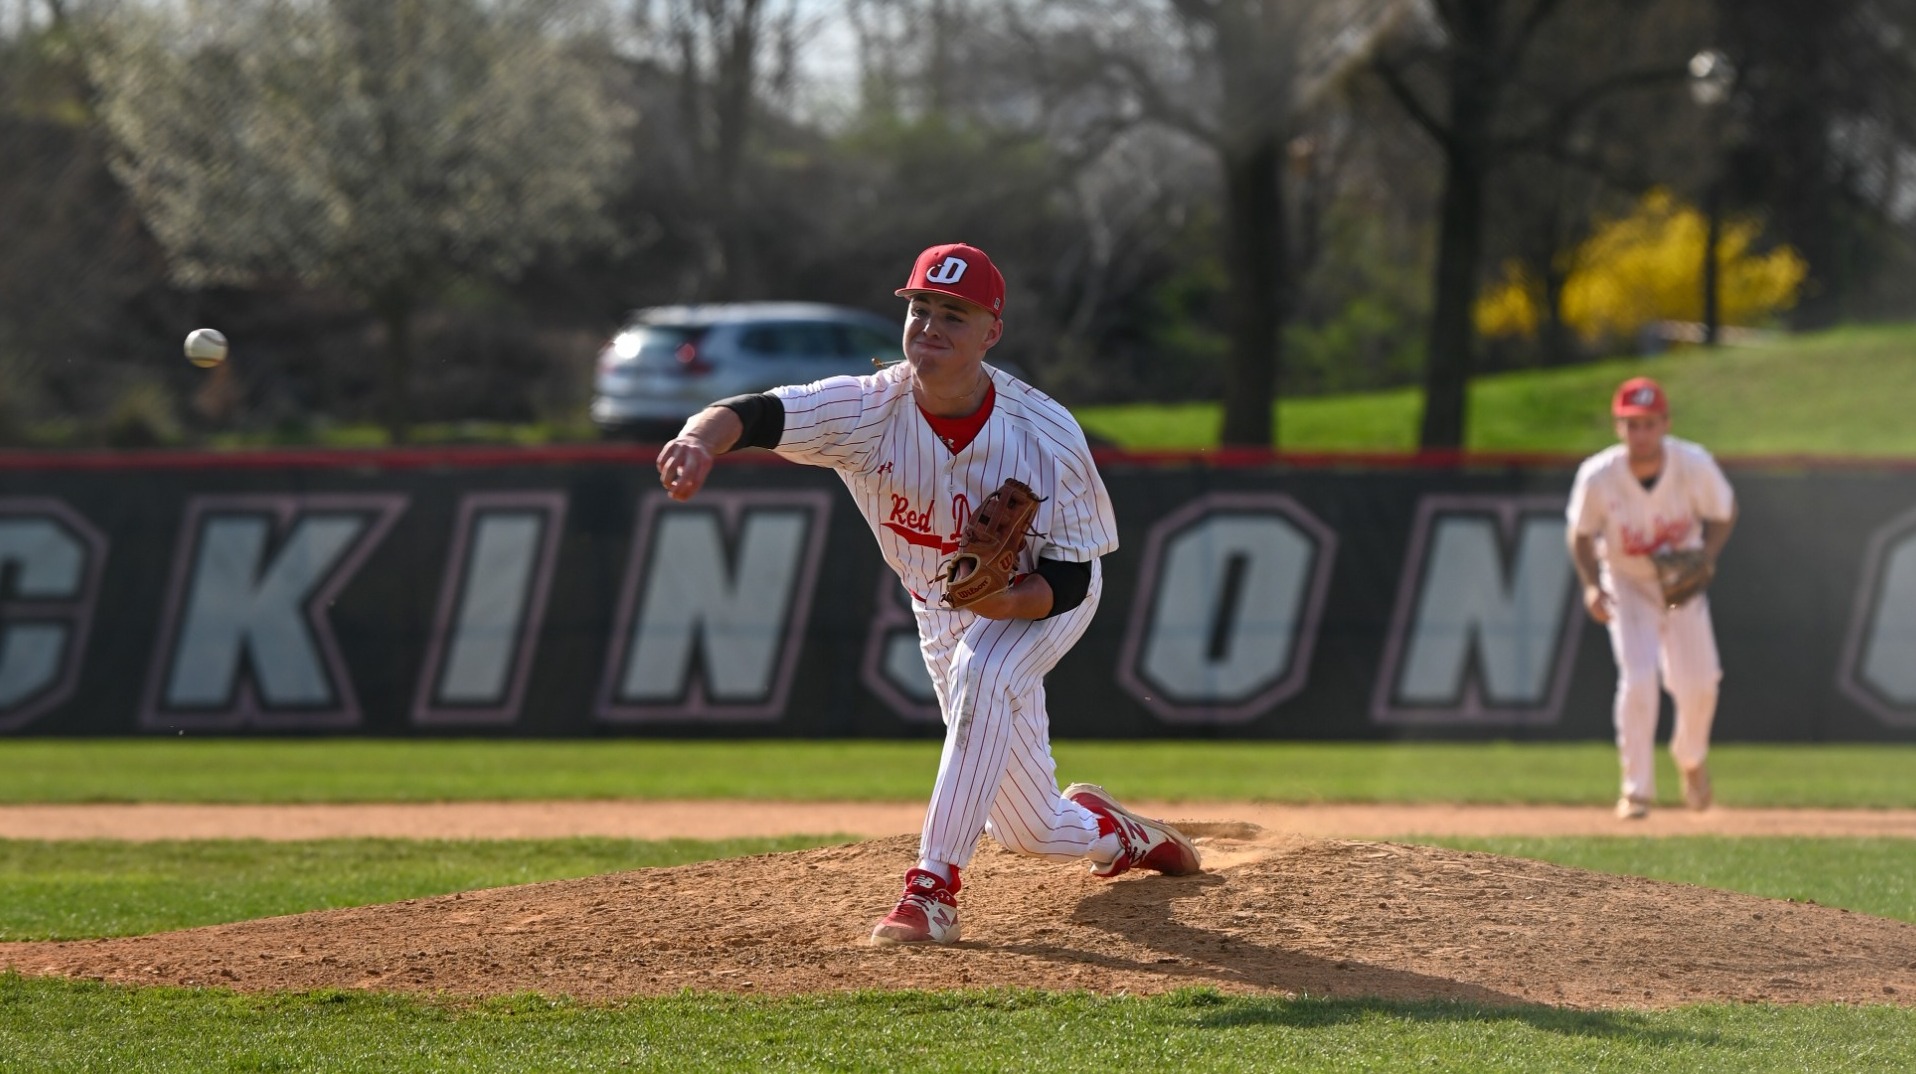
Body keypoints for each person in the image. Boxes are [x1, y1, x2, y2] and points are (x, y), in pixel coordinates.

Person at [655, 242, 1201, 944]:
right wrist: (698, 440)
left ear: (991, 333)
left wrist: (1005, 603)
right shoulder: (864, 411)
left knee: (986, 667)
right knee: (1030, 827)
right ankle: (1117, 834)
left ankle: (932, 890)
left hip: (1042, 595)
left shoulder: (1045, 432)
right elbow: (757, 413)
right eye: (920, 308)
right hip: (940, 608)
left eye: (954, 314)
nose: (930, 326)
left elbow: (1069, 575)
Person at [1566, 377, 1737, 820]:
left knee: (1699, 683)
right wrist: (1590, 585)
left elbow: (1724, 511)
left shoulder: (1693, 464)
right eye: (1631, 423)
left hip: (1681, 585)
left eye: (1648, 423)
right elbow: (1581, 534)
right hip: (1628, 582)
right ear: (1618, 426)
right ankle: (1636, 789)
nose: (1640, 433)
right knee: (1639, 678)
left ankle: (1691, 757)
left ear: (1665, 423)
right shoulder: (1599, 475)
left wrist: (1707, 557)